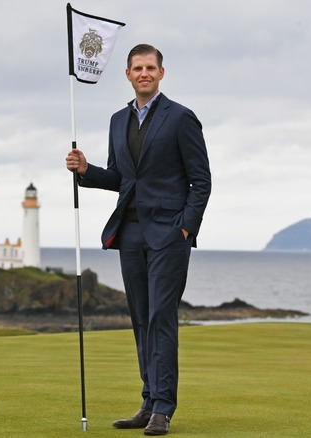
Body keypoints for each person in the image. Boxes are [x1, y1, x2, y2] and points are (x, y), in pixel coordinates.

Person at [66, 43, 212, 436]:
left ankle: (164, 407)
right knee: (140, 320)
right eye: (137, 68)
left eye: (151, 67)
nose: (144, 73)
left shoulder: (181, 118)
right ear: (128, 75)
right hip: (129, 233)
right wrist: (86, 170)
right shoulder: (117, 121)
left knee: (161, 318)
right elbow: (120, 179)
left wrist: (185, 227)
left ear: (161, 73)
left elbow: (202, 180)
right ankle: (148, 402)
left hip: (169, 235)